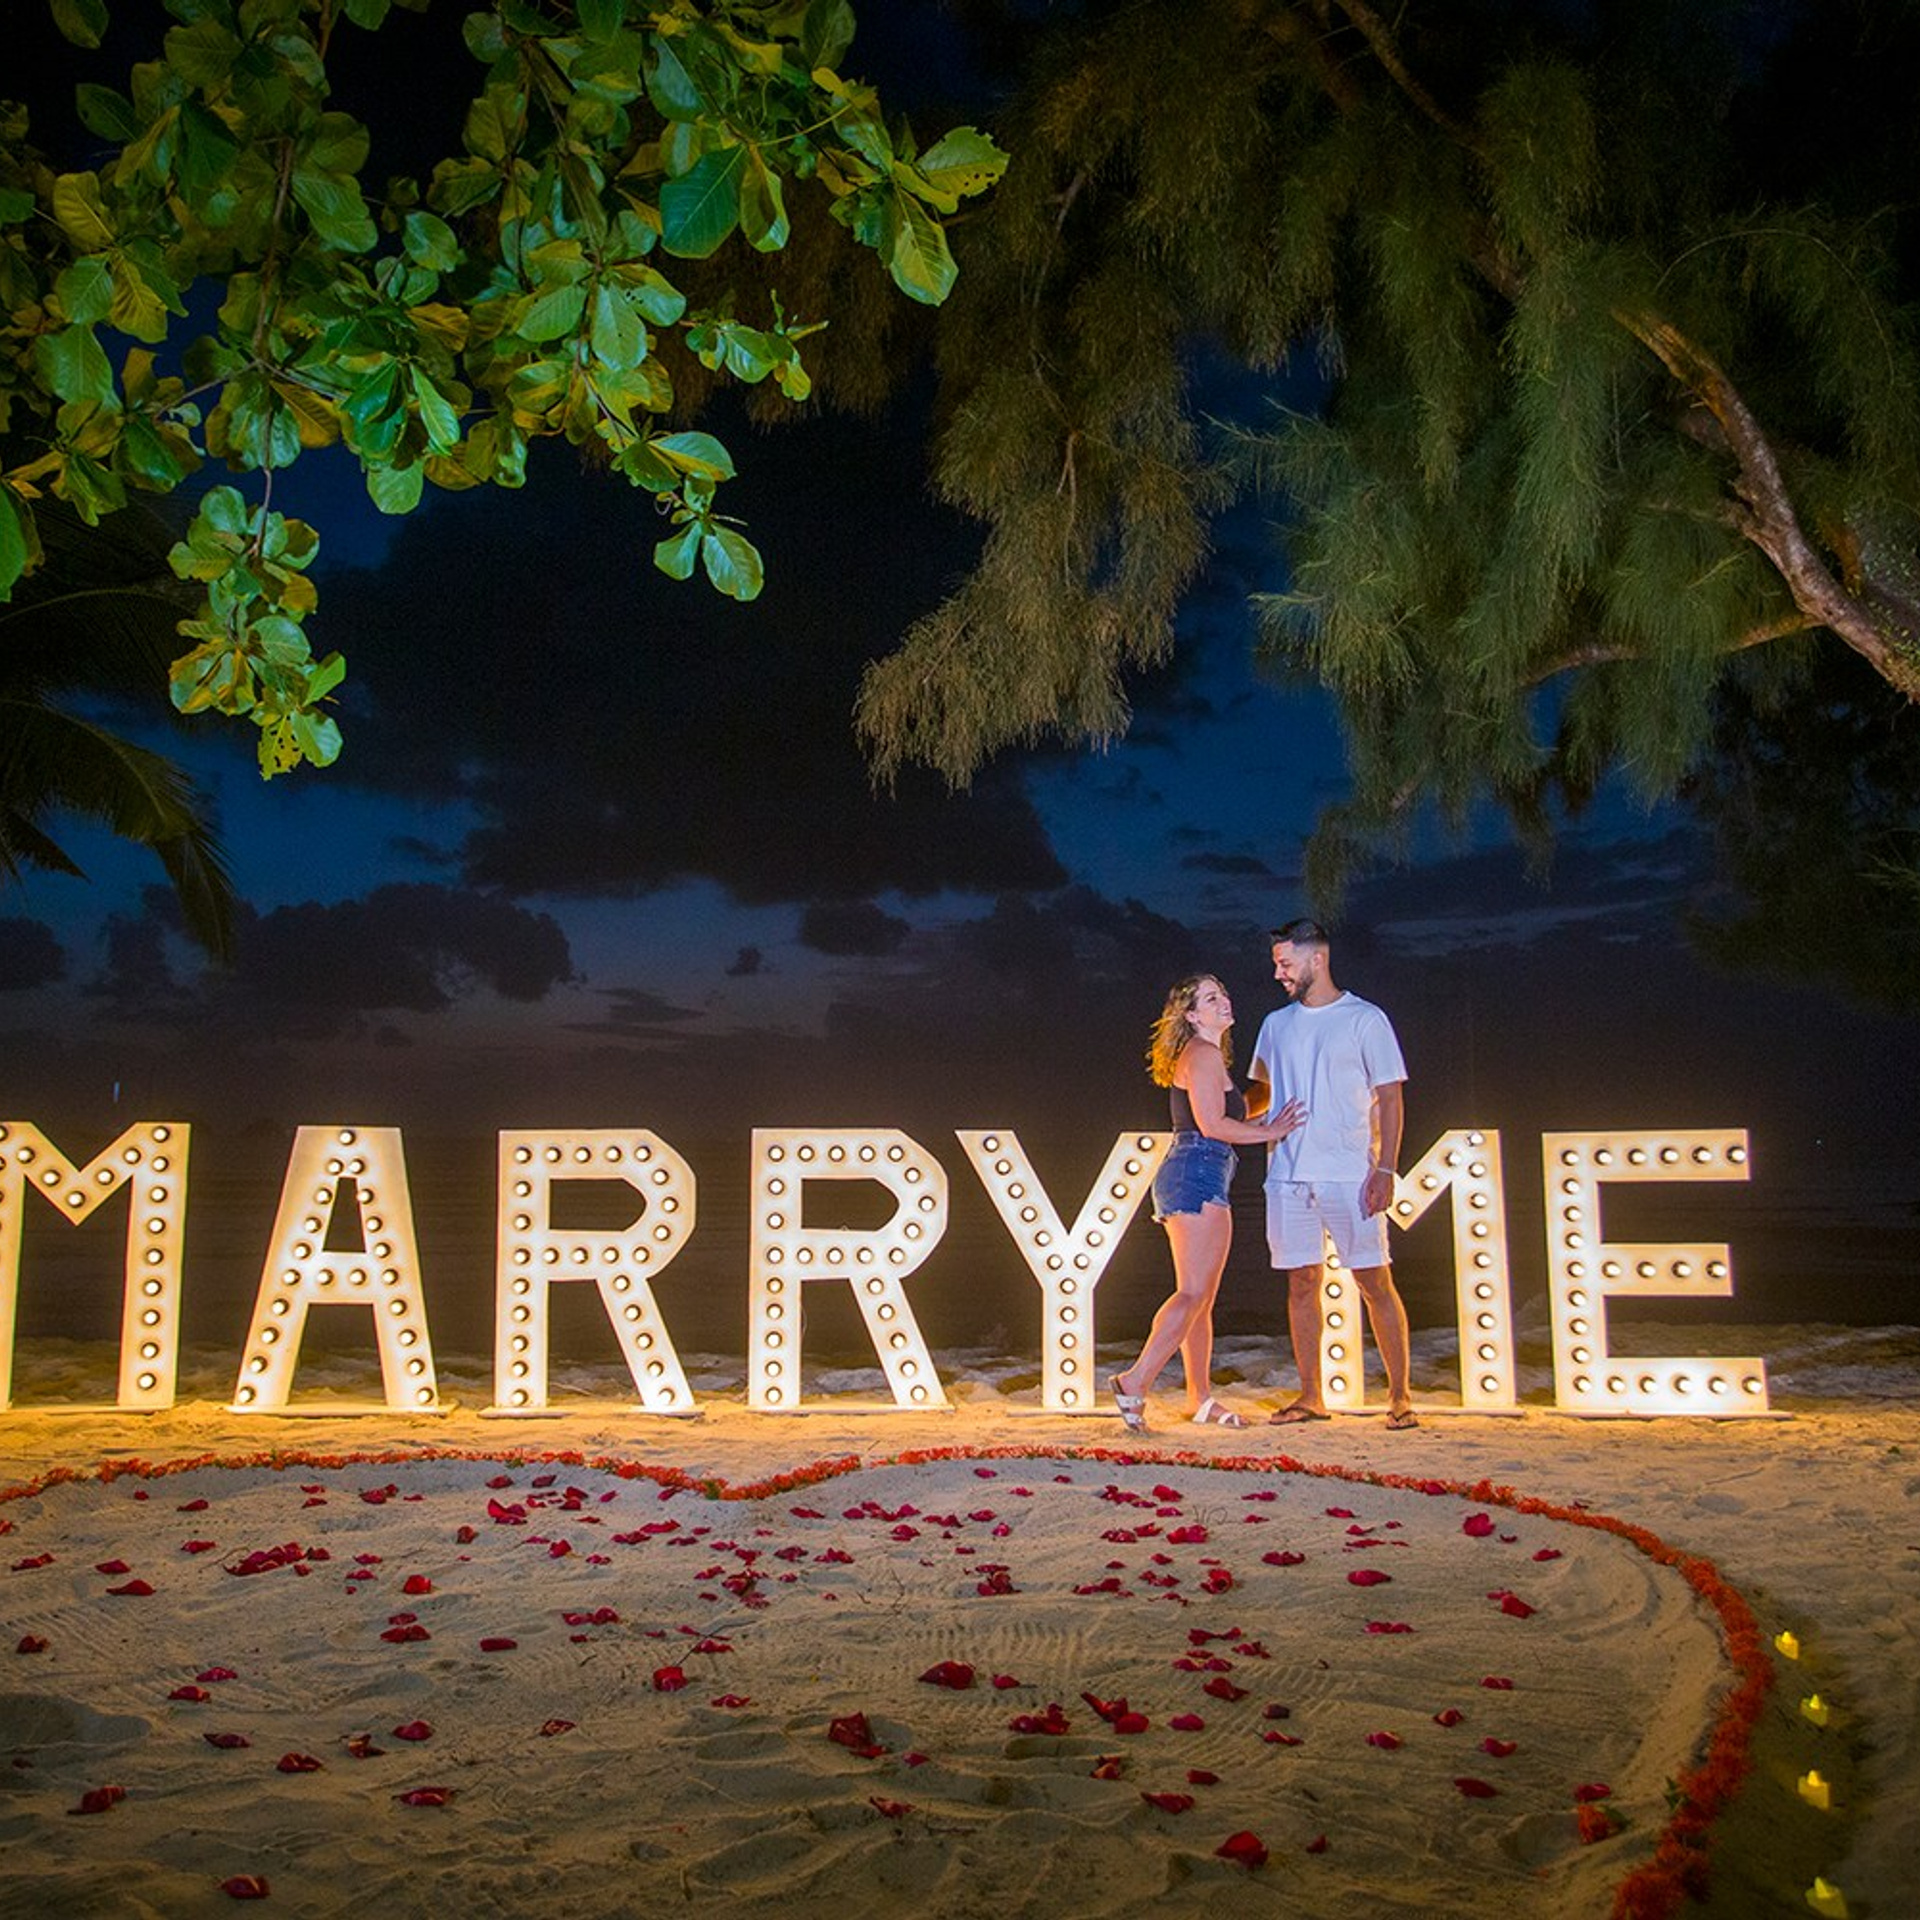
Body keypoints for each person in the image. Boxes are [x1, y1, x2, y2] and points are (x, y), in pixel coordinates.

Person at [1110, 974, 1305, 1433]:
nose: (1225, 1000)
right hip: (1196, 1170)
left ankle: (1199, 1399)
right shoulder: (1201, 1054)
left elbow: (1230, 1113)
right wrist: (1271, 1133)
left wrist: (1266, 1109)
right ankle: (1135, 1379)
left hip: (1201, 1170)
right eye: (1211, 998)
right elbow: (1212, 1125)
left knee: (1202, 1297)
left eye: (1224, 992)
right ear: (1192, 1014)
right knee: (1194, 1293)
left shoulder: (1208, 1057)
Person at [1248, 919, 1419, 1430]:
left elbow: (1390, 1097)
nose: (1278, 973)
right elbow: (1258, 1091)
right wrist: (1225, 1117)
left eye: (1285, 963)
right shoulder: (1275, 1025)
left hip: (1350, 1173)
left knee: (1373, 1280)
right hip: (1288, 1175)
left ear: (1316, 959)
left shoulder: (1365, 1019)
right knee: (1302, 1283)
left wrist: (1385, 1166)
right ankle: (1310, 1396)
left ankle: (1401, 1396)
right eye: (1276, 964)